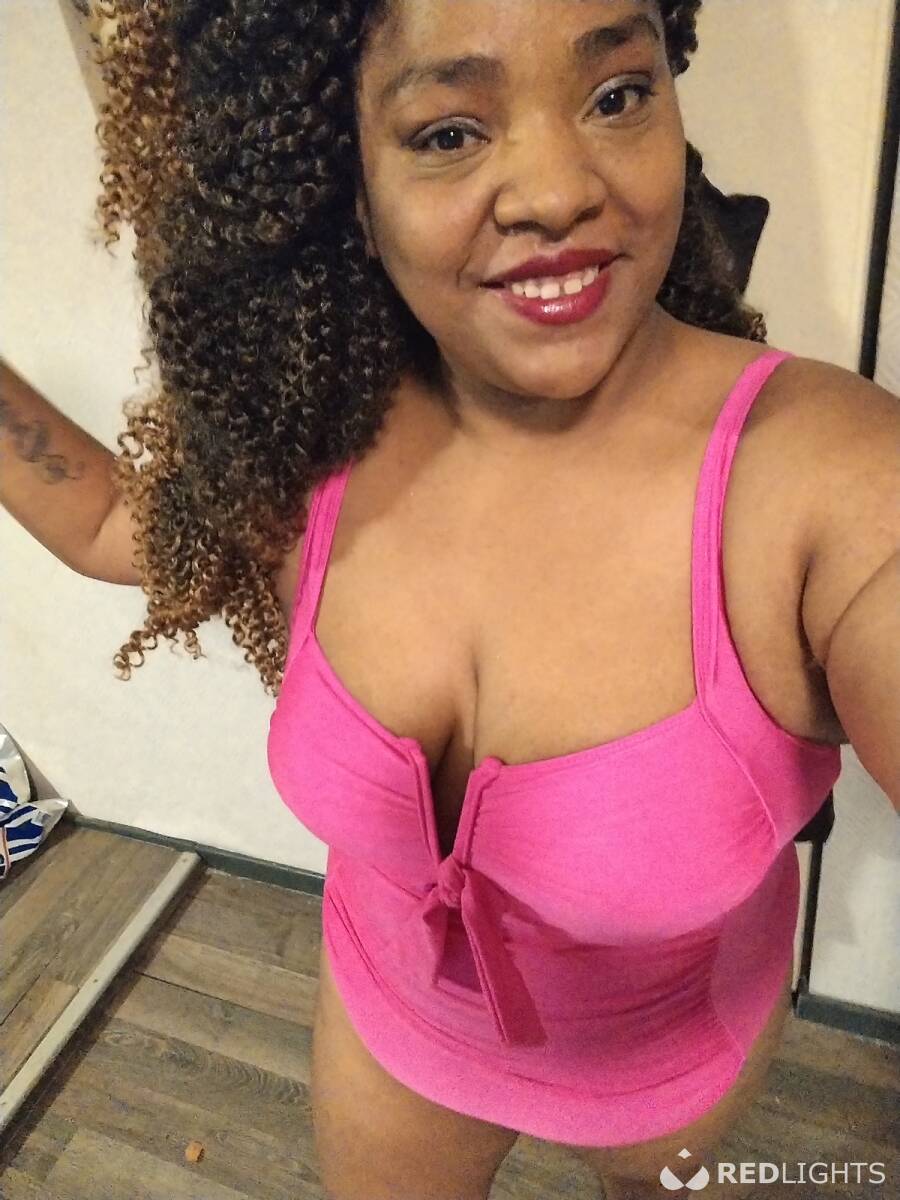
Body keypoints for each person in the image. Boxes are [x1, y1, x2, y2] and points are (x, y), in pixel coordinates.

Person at [2, 1, 898, 1197]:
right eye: (447, 133)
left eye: (618, 95)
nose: (559, 190)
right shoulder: (317, 441)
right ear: (349, 184)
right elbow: (111, 524)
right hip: (389, 1037)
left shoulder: (829, 486)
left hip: (668, 1071)